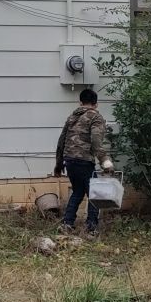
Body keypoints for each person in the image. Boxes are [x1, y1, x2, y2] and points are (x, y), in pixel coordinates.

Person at [54, 89, 112, 237]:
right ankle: (91, 228)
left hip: (70, 161)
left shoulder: (72, 117)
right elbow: (96, 140)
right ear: (96, 104)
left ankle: (67, 224)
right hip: (84, 160)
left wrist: (59, 165)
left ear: (80, 102)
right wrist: (104, 160)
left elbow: (61, 141)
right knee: (95, 194)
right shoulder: (95, 117)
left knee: (78, 191)